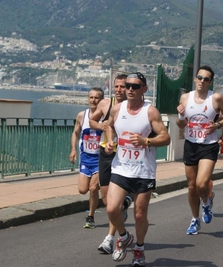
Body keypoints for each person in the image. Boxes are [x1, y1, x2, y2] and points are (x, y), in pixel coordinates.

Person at [105, 72, 170, 266]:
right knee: (111, 209)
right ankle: (124, 237)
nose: (130, 89)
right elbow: (109, 126)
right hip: (121, 168)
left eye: (135, 86)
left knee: (140, 215)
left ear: (144, 89)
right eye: (127, 86)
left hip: (143, 171)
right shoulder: (117, 109)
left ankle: (139, 249)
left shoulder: (150, 112)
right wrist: (110, 142)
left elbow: (165, 137)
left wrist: (146, 141)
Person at [176, 65, 223, 235]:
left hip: (208, 145)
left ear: (210, 82)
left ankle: (207, 202)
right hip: (191, 144)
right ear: (195, 79)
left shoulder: (215, 98)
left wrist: (217, 124)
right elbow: (181, 125)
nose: (202, 81)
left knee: (202, 183)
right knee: (192, 186)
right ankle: (195, 219)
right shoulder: (185, 98)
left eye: (206, 79)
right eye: (199, 77)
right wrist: (180, 115)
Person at [89, 74, 132, 254]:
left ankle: (110, 238)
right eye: (117, 87)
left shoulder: (133, 106)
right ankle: (123, 206)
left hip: (123, 154)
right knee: (107, 200)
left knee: (114, 201)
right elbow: (92, 120)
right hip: (105, 153)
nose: (119, 90)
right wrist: (103, 127)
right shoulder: (106, 104)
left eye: (123, 86)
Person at [69, 87, 104, 228]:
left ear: (101, 100)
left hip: (99, 159)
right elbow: (75, 133)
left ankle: (91, 216)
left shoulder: (105, 117)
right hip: (85, 158)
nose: (93, 100)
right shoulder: (81, 116)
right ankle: (104, 185)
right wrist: (73, 150)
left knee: (93, 188)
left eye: (96, 98)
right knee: (83, 190)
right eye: (91, 97)